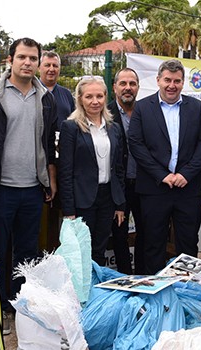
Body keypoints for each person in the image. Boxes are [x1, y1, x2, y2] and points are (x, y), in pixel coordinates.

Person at [0, 38, 57, 334]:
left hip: (32, 189)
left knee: (27, 252)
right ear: (10, 60)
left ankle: (20, 304)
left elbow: (48, 144)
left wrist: (48, 179)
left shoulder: (45, 97)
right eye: (22, 57)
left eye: (33, 58)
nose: (28, 63)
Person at [127, 59, 201, 274]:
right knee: (153, 243)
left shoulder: (196, 107)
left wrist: (187, 173)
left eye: (177, 81)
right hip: (154, 188)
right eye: (167, 80)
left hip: (188, 188)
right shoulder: (143, 108)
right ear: (158, 80)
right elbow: (136, 144)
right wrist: (162, 175)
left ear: (183, 83)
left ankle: (187, 290)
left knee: (188, 243)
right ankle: (156, 292)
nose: (171, 85)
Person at [59, 76, 125, 266]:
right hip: (82, 200)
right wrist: (69, 210)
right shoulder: (70, 127)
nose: (95, 101)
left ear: (106, 97)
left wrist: (119, 204)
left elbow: (118, 168)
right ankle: (81, 293)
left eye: (99, 96)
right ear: (80, 99)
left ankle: (95, 290)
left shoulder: (114, 128)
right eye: (89, 97)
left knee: (99, 249)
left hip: (107, 199)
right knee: (80, 252)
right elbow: (65, 171)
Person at [108, 67, 142, 274]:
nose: (128, 88)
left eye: (132, 84)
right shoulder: (105, 114)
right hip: (117, 187)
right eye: (123, 83)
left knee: (146, 234)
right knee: (119, 235)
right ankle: (123, 278)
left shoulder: (146, 111)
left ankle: (142, 277)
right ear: (115, 88)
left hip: (144, 185)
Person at [40, 50, 74, 129]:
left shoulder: (67, 94)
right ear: (39, 68)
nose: (51, 69)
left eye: (55, 66)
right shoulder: (32, 91)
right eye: (47, 65)